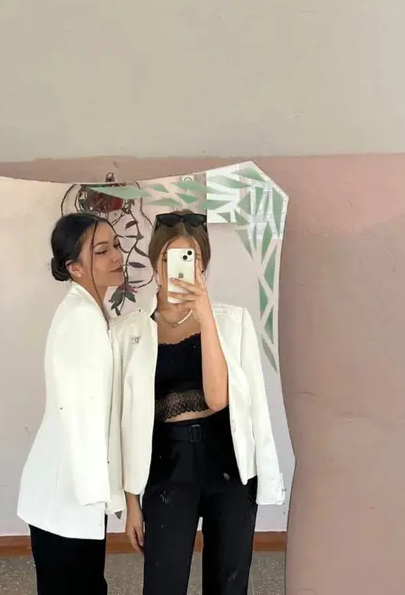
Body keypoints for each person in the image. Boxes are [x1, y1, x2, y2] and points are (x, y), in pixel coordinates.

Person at [111, 210, 285, 595]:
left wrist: (206, 317)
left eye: (192, 259)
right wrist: (131, 501)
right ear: (155, 264)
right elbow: (123, 421)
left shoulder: (233, 322)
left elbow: (218, 399)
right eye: (168, 258)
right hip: (166, 464)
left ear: (203, 266)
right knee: (163, 584)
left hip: (228, 461)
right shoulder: (128, 332)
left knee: (228, 583)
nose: (178, 269)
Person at [17, 212, 125, 595]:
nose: (117, 256)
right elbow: (83, 416)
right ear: (74, 268)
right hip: (68, 492)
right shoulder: (82, 319)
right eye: (102, 251)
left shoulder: (92, 311)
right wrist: (109, 495)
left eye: (116, 245)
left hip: (74, 491)